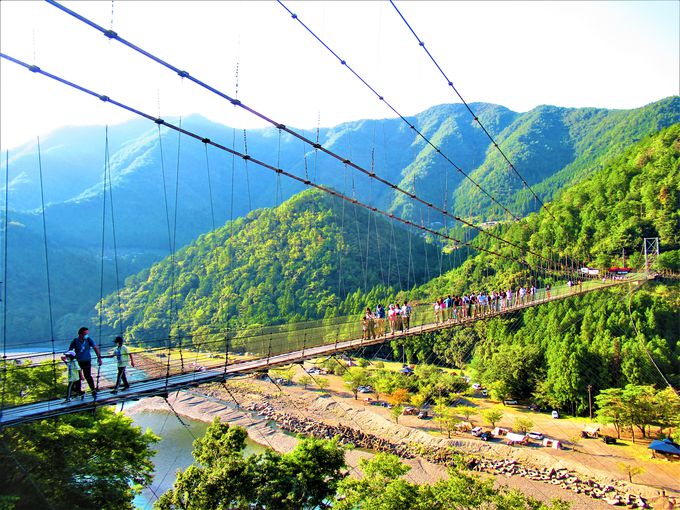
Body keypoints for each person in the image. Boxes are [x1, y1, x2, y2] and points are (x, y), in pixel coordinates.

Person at [68, 326, 102, 398]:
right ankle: (79, 391)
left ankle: (93, 390)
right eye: (85, 334)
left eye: (87, 333)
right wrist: (70, 360)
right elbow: (70, 351)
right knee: (78, 378)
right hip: (78, 361)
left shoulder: (89, 339)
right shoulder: (75, 341)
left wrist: (99, 358)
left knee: (88, 376)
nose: (86, 335)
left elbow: (95, 348)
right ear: (80, 334)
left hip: (87, 360)